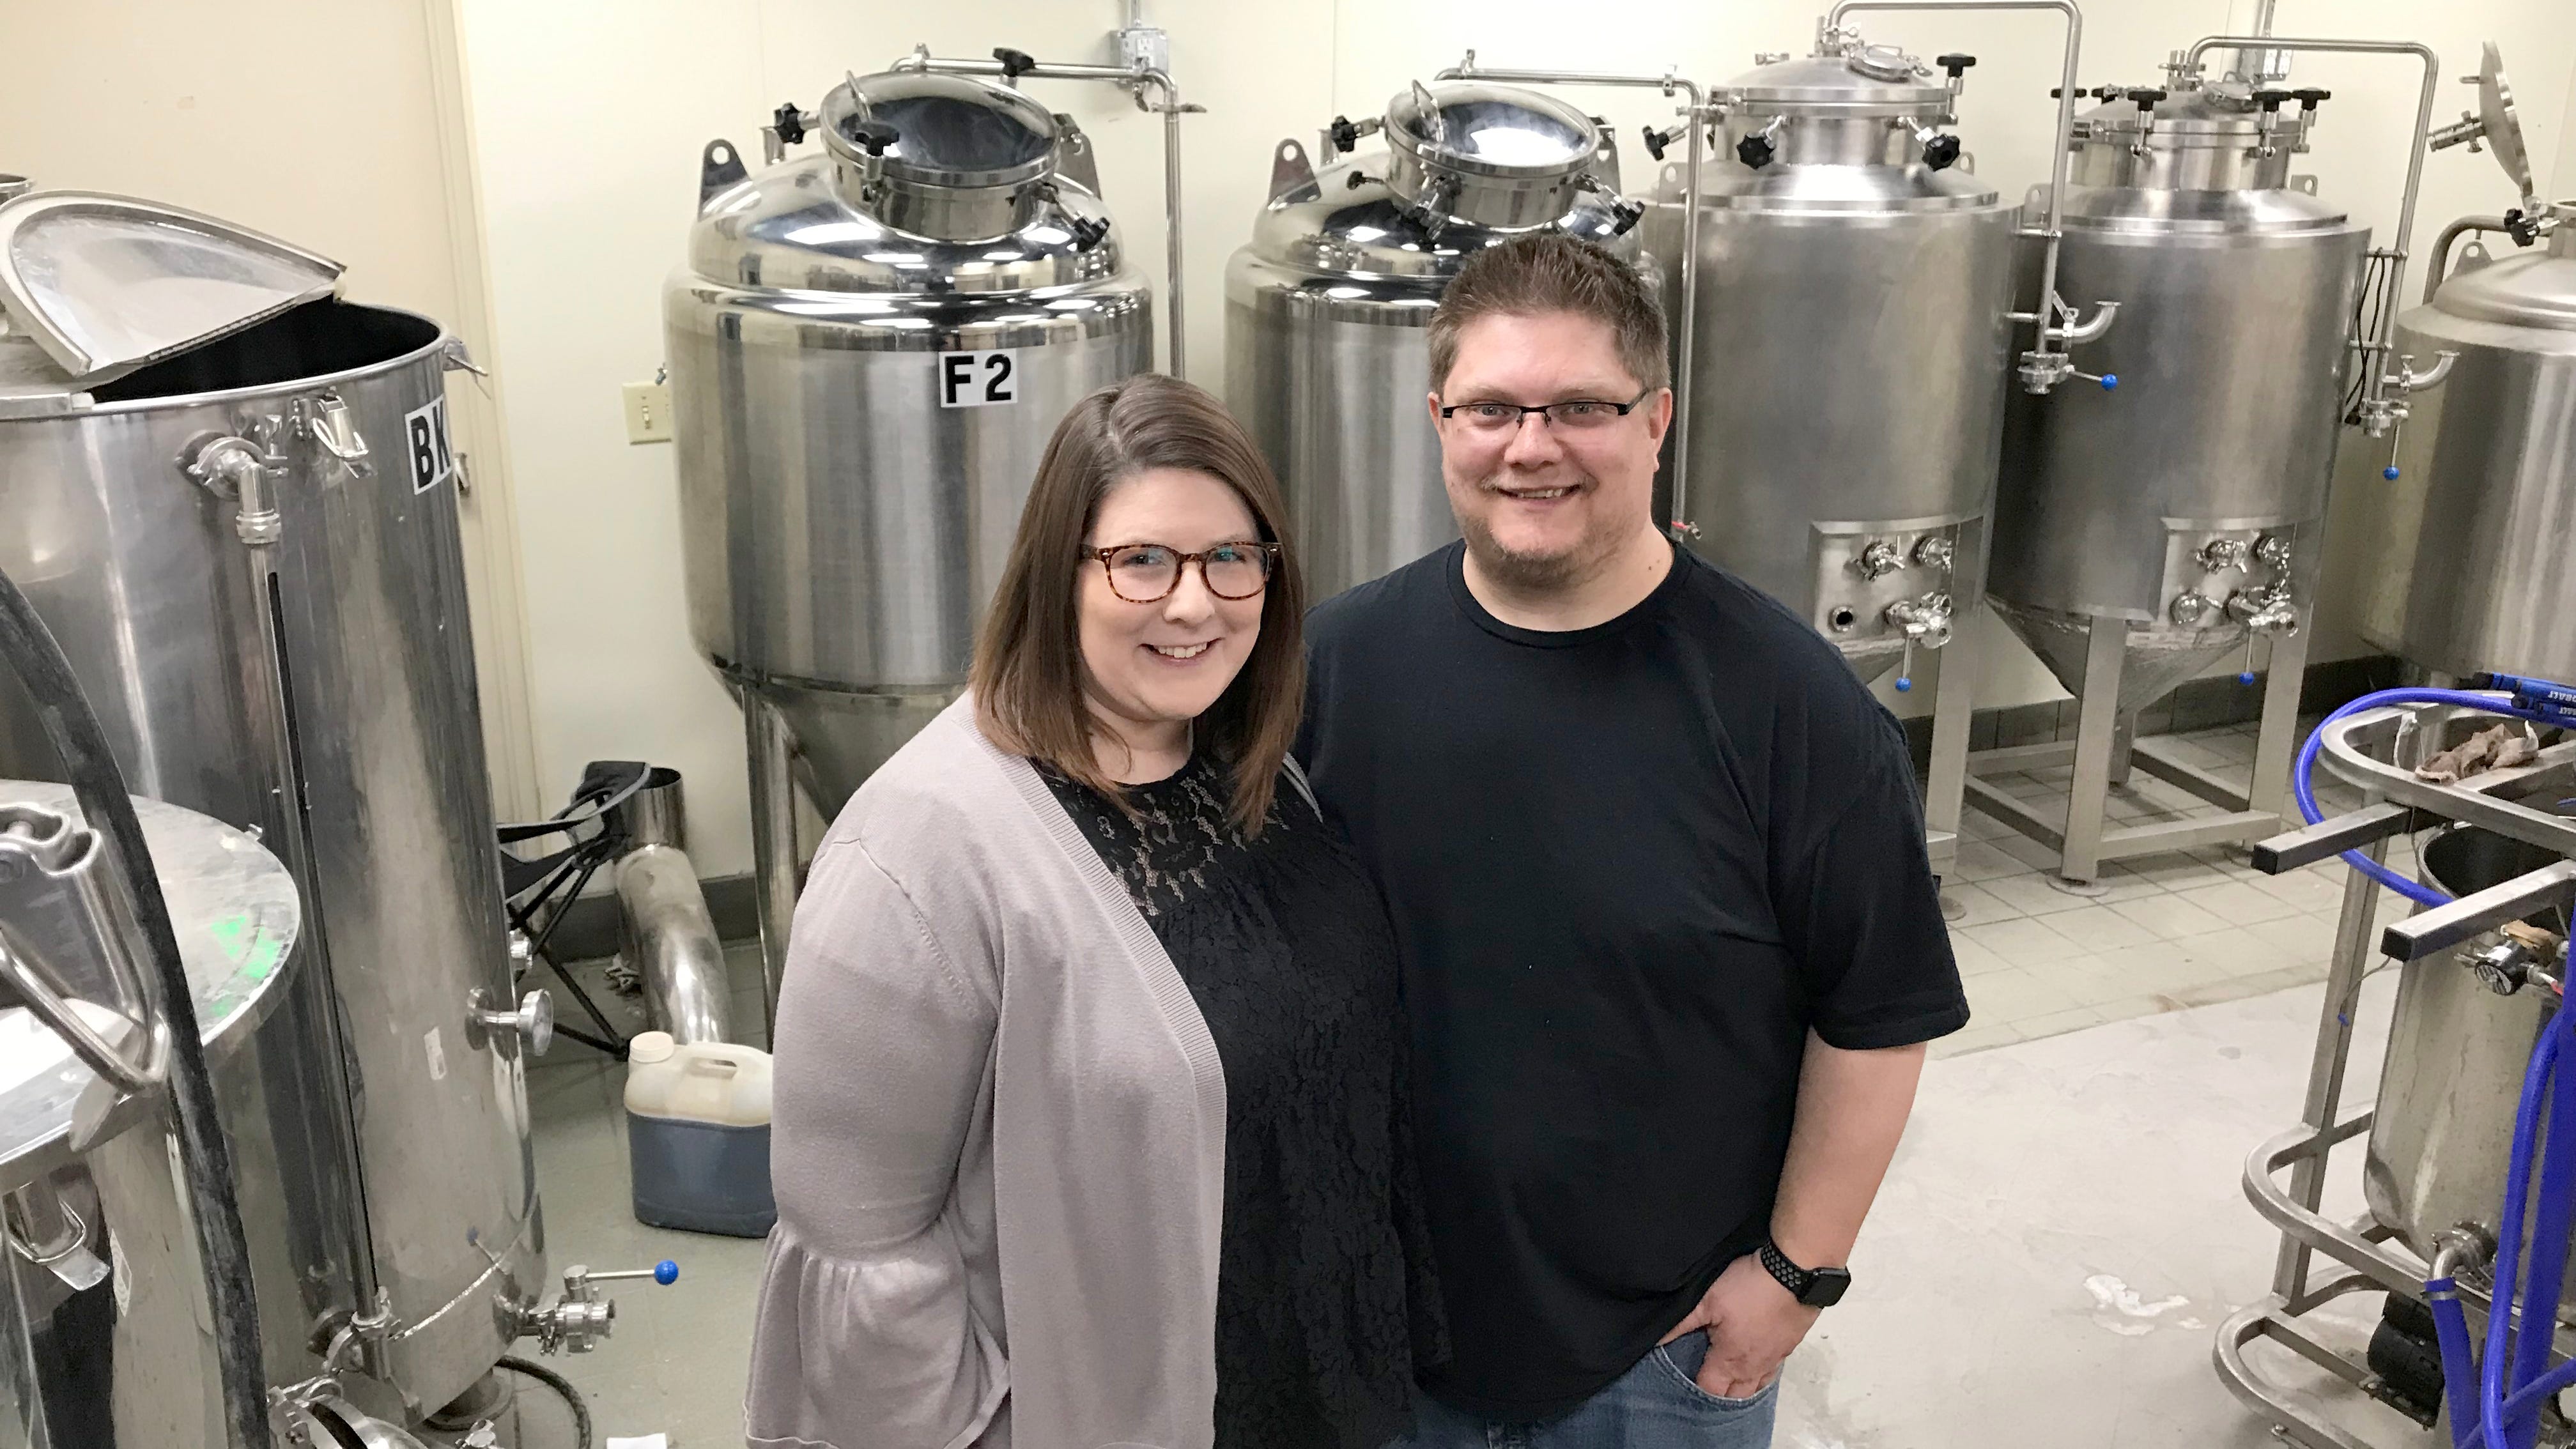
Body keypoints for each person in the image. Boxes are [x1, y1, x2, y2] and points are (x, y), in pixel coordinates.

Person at [1299, 233, 1967, 1446]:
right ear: (1439, 418)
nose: (1531, 446)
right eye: (1492, 408)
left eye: (1581, 408)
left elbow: (1877, 1018)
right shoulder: (1336, 666)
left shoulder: (1791, 707)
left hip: (1658, 1358)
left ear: (1656, 420)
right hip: (1384, 1336)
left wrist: (1797, 1274)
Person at [744, 372, 1444, 1449]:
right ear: (1058, 574)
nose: (1194, 602)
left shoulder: (1252, 762)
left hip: (1333, 1390)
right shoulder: (920, 857)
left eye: (1231, 558)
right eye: (1143, 561)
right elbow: (861, 1260)